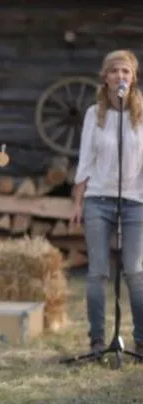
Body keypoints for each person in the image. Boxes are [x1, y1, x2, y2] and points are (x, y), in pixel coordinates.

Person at [71, 49, 143, 355]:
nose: (120, 76)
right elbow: (85, 160)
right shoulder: (93, 114)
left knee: (135, 271)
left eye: (125, 71)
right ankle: (98, 341)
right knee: (98, 272)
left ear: (133, 78)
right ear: (105, 77)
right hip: (98, 200)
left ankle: (141, 340)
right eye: (114, 71)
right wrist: (78, 202)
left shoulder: (142, 114)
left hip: (135, 201)